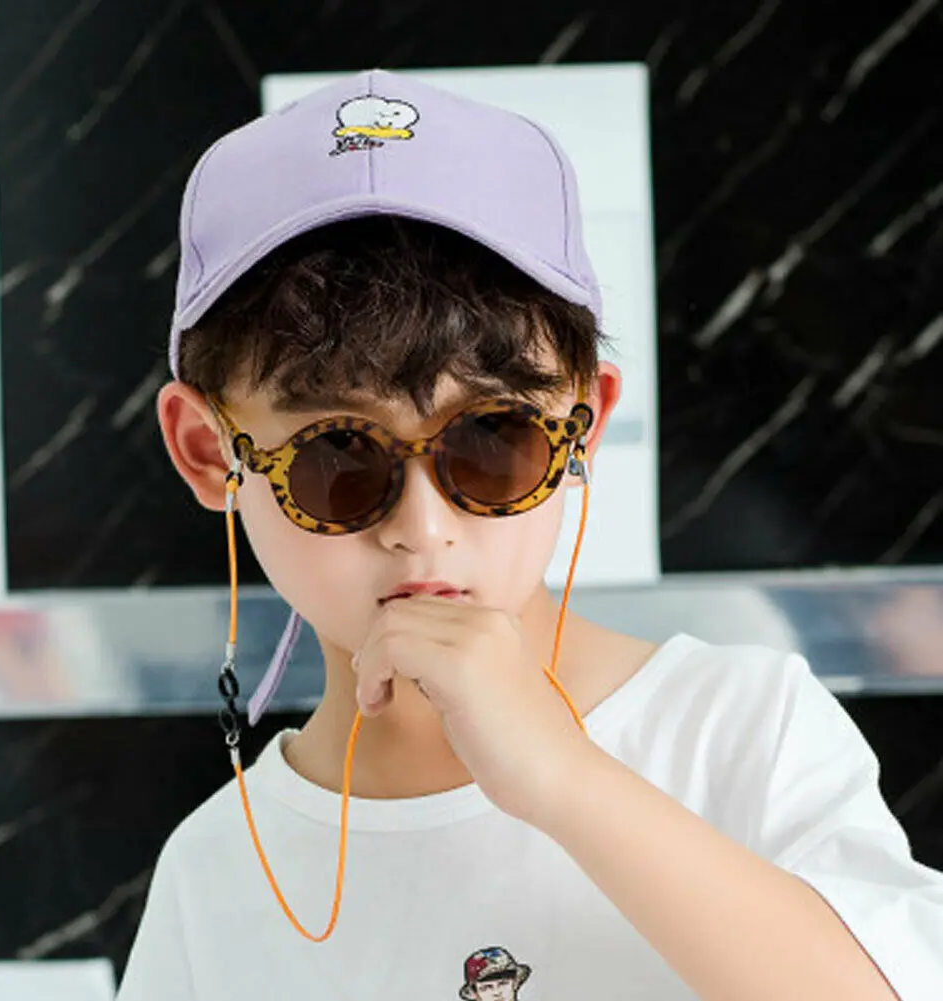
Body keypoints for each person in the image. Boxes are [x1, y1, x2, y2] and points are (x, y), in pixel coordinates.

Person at [116, 69, 942, 1000]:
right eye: (336, 456)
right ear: (207, 451)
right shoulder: (218, 870)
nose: (422, 529)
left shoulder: (736, 729)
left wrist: (562, 776)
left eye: (491, 441)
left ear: (582, 428)